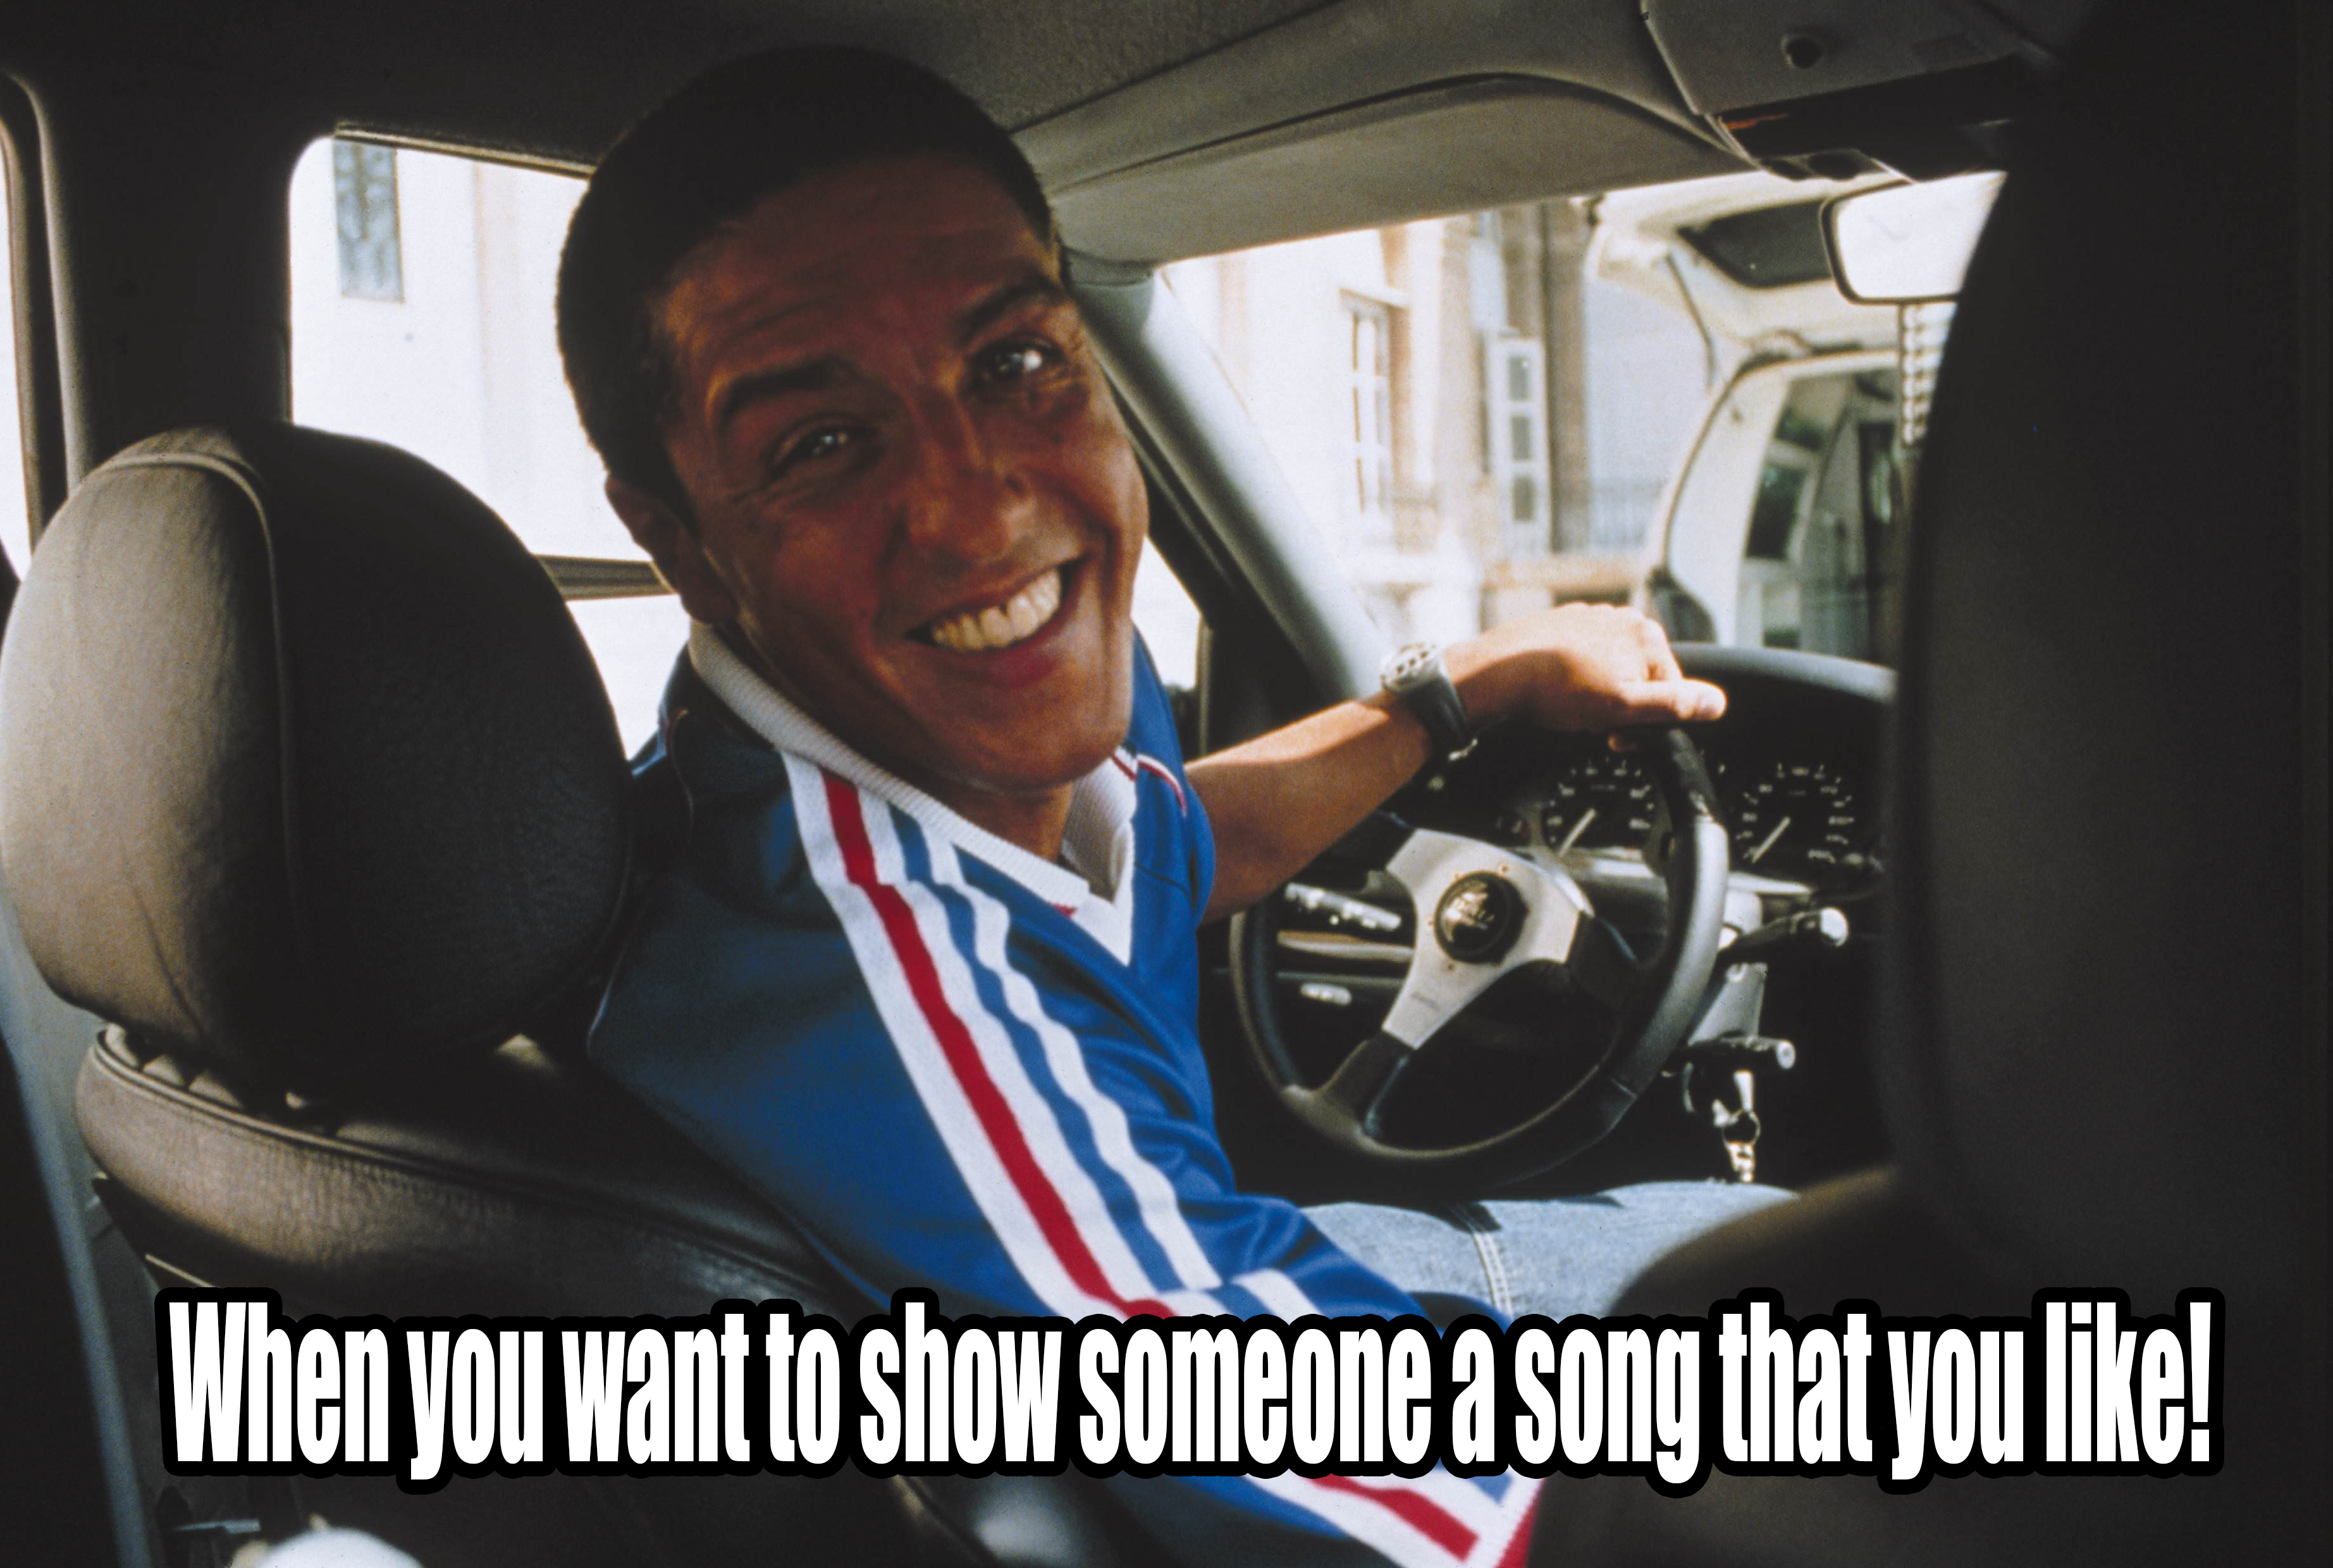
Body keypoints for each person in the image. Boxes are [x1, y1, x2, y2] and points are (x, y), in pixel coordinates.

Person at [559, 47, 1783, 1565]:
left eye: (1016, 362)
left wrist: (1463, 686)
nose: (983, 511)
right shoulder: (881, 991)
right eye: (820, 444)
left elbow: (1170, 843)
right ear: (676, 539)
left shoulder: (948, 719)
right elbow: (1458, 1532)